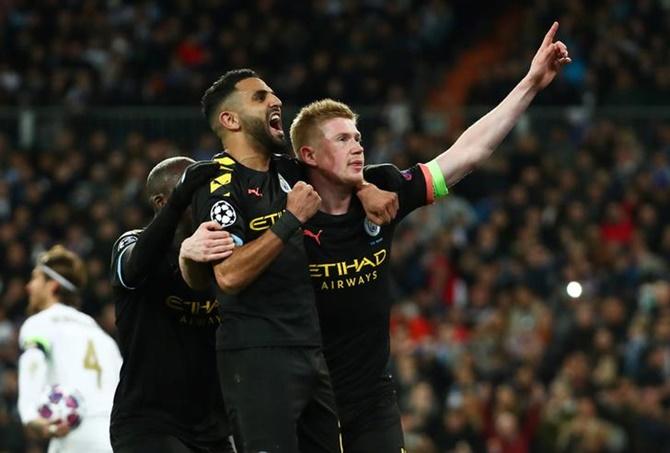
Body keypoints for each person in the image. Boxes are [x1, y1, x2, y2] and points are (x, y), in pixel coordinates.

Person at [286, 22, 571, 452]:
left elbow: (467, 156)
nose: (358, 146)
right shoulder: (279, 207)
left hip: (370, 396)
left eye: (359, 137)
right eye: (343, 139)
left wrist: (530, 84)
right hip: (303, 394)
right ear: (307, 155)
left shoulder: (385, 188)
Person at [184, 68, 396, 453]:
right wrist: (289, 221)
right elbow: (228, 276)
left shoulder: (287, 170)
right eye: (259, 97)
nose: (275, 100)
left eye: (272, 93)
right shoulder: (219, 185)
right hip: (258, 357)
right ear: (230, 120)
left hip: (310, 353)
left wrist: (364, 187)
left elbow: (334, 170)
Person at [109, 157, 236, 453]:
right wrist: (179, 202)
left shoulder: (223, 254)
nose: (203, 199)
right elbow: (135, 269)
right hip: (148, 424)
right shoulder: (131, 244)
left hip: (212, 427)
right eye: (192, 192)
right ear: (161, 201)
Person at [18, 245, 123, 453]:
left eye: (35, 278)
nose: (28, 287)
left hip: (73, 435)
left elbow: (33, 361)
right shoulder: (103, 338)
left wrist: (30, 415)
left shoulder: (41, 322)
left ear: (53, 286)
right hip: (113, 439)